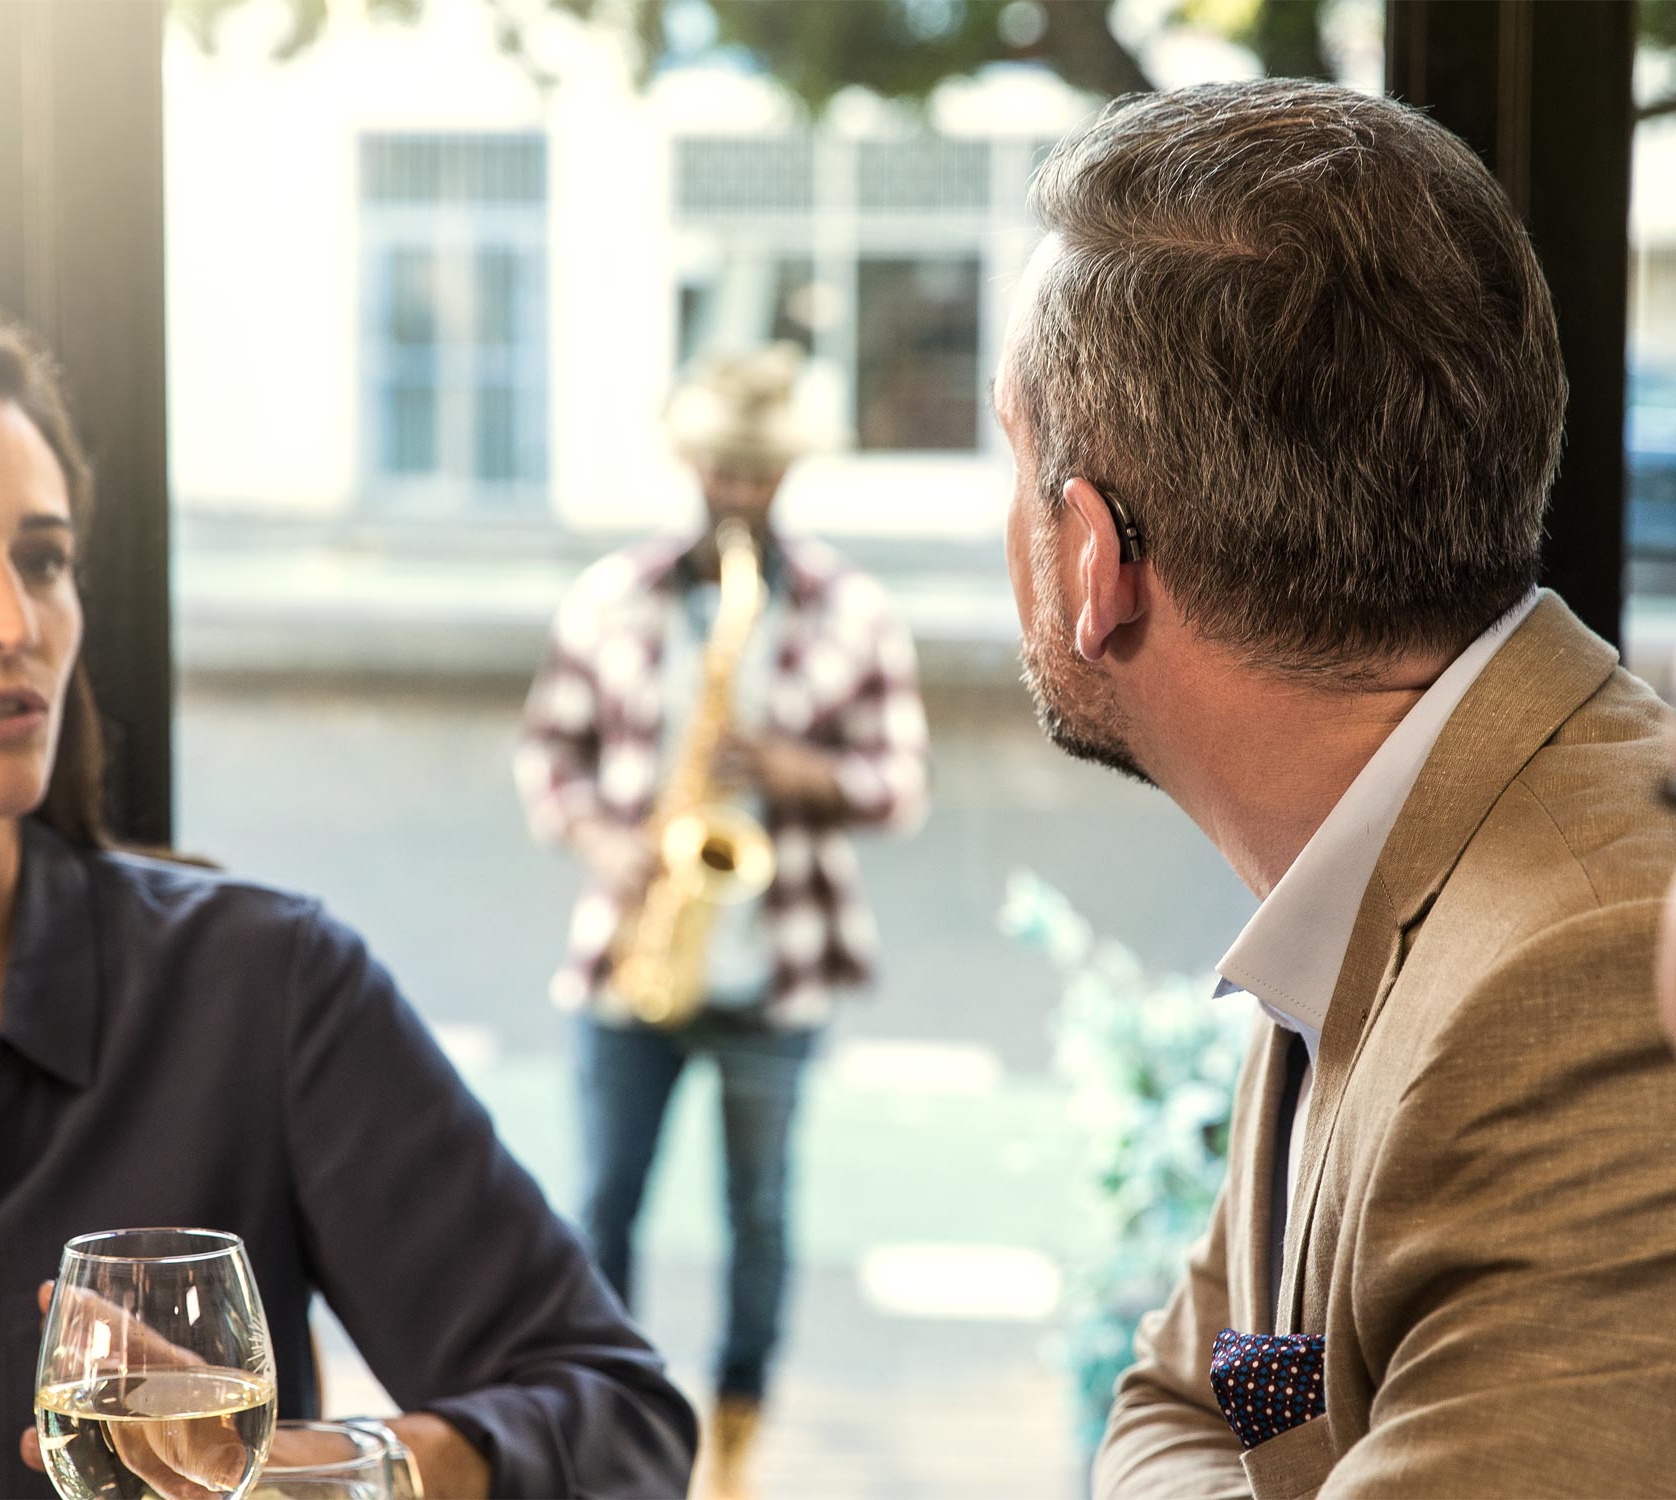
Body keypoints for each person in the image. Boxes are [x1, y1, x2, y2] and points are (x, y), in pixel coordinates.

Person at [0, 316, 695, 1500]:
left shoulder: (263, 986)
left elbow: (623, 1426)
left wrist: (335, 1476)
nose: (13, 622)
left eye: (43, 560)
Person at [993, 80, 1676, 1496]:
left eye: (1007, 456)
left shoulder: (1591, 979)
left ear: (1093, 560)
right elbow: (1187, 1403)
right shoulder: (1376, 854)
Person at [514, 345, 929, 1500]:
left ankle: (735, 1442)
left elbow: (901, 785)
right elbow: (546, 754)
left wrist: (799, 771)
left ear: (786, 472)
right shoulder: (610, 595)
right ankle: (602, 1428)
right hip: (630, 959)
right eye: (721, 467)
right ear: (689, 462)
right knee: (602, 1209)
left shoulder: (853, 609)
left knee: (759, 1219)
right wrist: (606, 843)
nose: (738, 490)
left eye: (758, 470)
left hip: (775, 972)